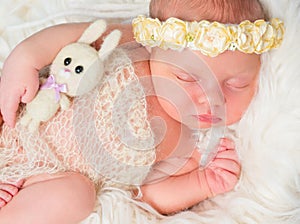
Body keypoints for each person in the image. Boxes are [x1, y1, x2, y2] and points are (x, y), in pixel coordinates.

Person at [0, 0, 284, 223]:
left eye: (235, 85)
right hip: (17, 109)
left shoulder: (185, 144)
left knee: (76, 198)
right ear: (155, 45)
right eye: (187, 77)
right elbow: (76, 36)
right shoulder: (132, 45)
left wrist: (202, 182)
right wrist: (25, 59)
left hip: (42, 177)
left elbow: (150, 195)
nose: (209, 99)